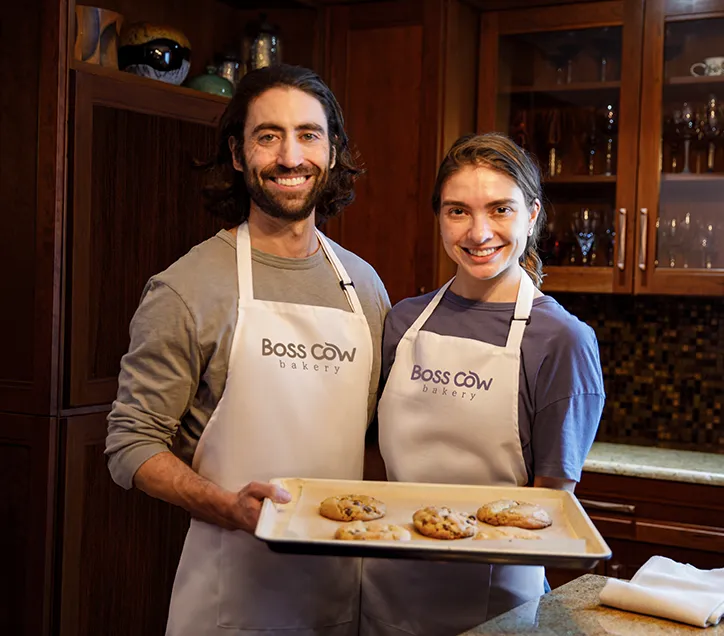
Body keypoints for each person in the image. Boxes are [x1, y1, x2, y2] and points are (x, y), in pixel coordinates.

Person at [105, 64, 390, 636]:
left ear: (331, 152)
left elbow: (374, 439)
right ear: (237, 155)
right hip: (229, 598)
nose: (290, 157)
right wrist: (228, 508)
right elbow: (130, 447)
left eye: (309, 135)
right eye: (269, 136)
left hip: (342, 593)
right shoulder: (187, 287)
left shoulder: (365, 287)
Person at [360, 132, 604, 636]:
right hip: (387, 581)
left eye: (500, 209)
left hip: (494, 600)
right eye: (457, 211)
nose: (478, 232)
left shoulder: (562, 340)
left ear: (532, 216)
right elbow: (371, 461)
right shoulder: (404, 321)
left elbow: (550, 504)